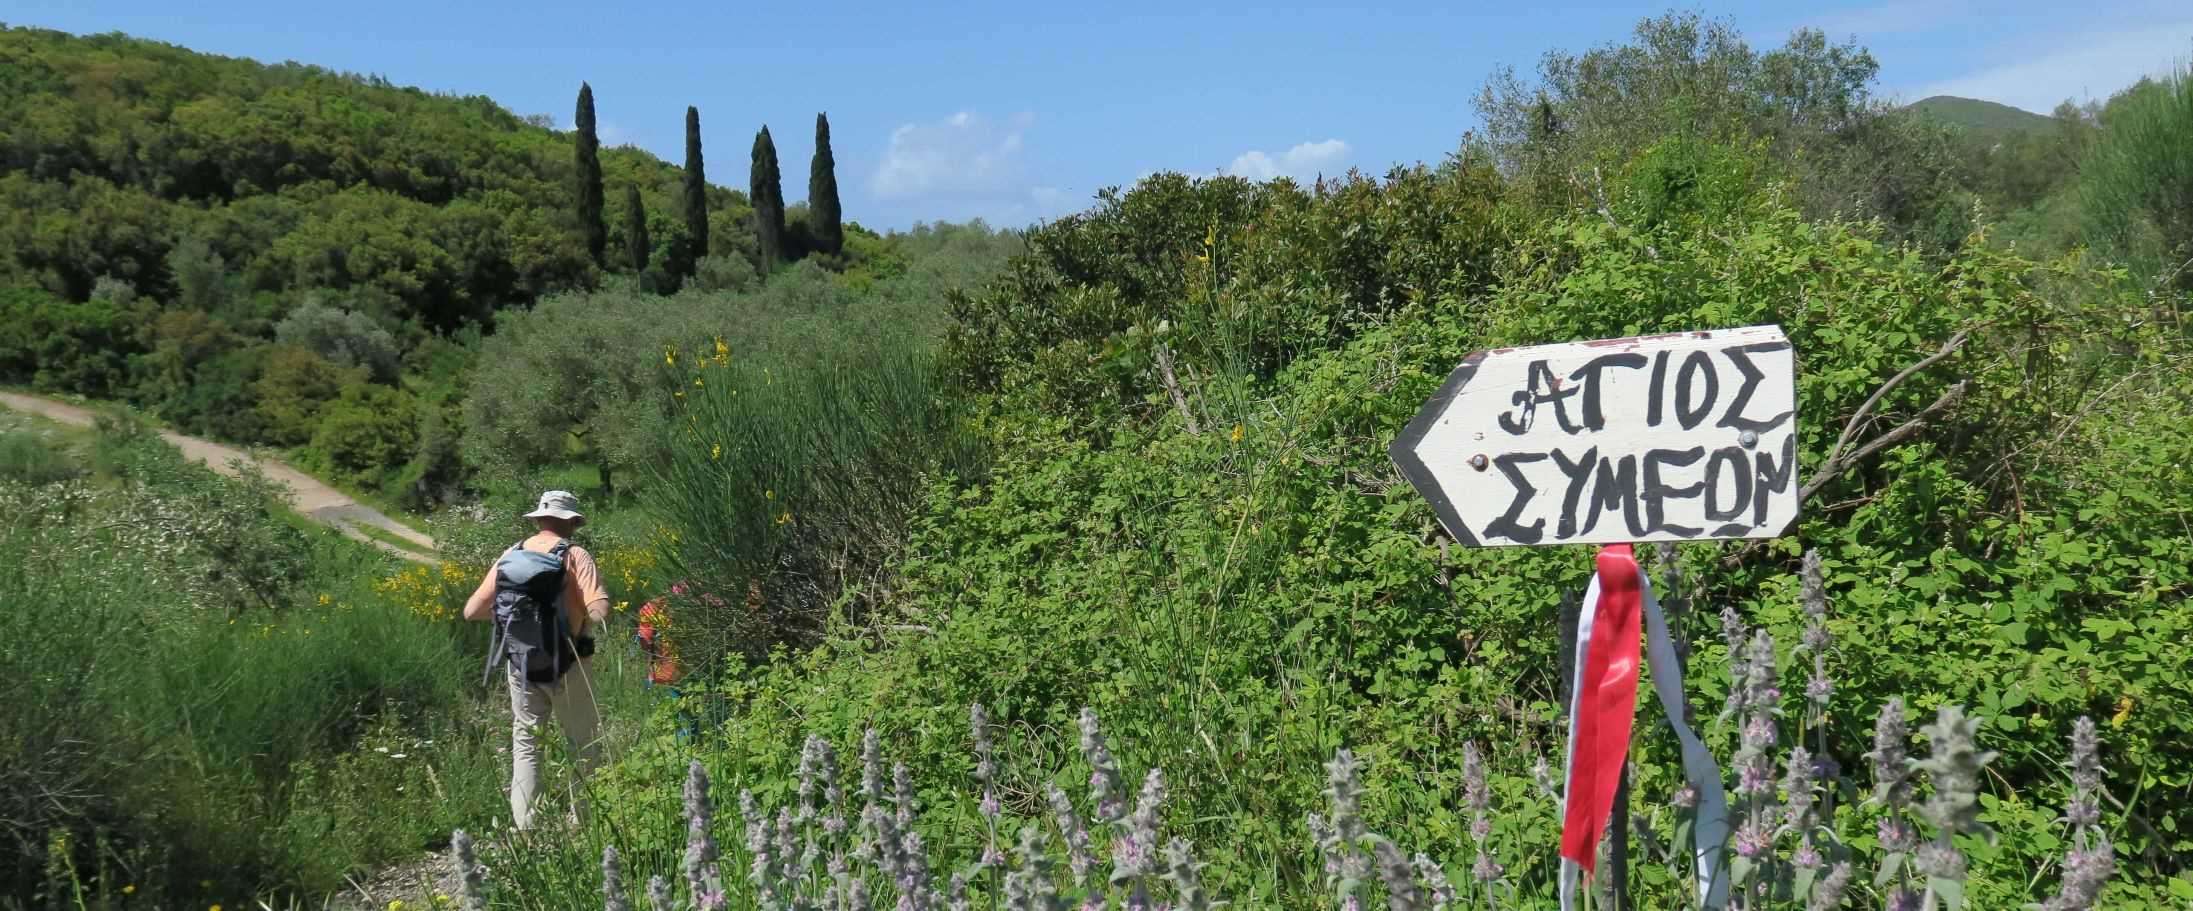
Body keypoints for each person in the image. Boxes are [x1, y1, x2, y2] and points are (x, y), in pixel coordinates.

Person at [462, 489, 611, 831]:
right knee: (581, 741)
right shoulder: (576, 555)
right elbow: (598, 610)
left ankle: (526, 826)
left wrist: (517, 619)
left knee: (527, 742)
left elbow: (472, 611)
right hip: (570, 662)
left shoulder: (511, 554)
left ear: (539, 518)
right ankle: (583, 822)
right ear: (572, 521)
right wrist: (592, 614)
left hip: (522, 664)